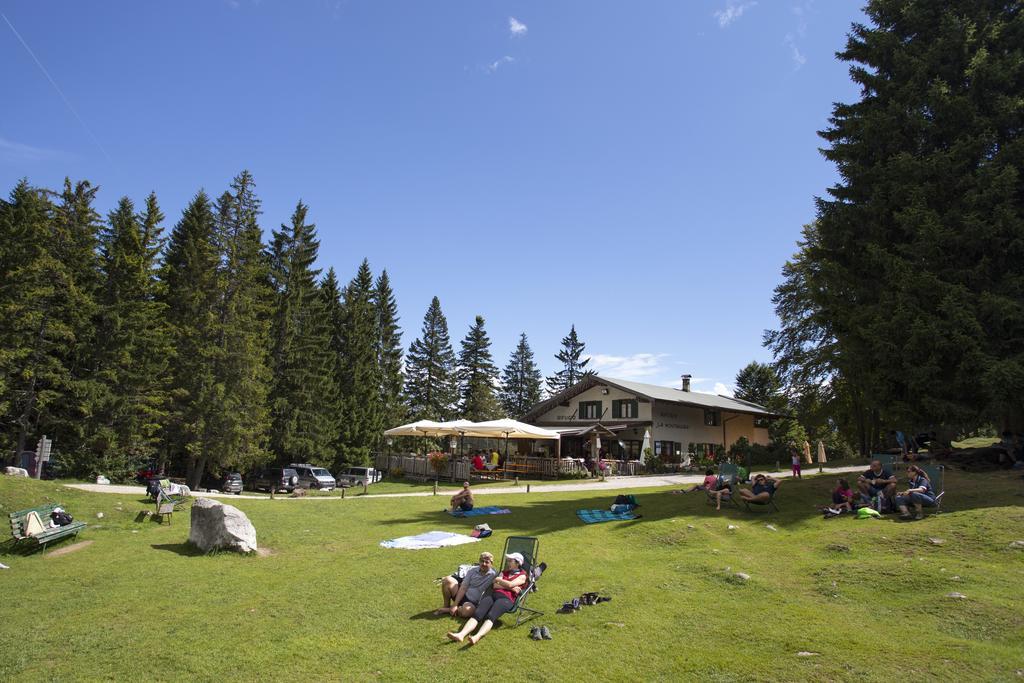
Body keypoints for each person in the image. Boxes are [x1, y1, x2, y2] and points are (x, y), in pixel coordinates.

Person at [447, 552, 528, 646]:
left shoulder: (522, 576)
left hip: (506, 599)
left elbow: (506, 583)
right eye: (508, 560)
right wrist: (511, 587)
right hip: (493, 595)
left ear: (518, 563)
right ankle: (461, 634)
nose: (508, 562)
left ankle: (476, 637)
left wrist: (500, 580)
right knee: (477, 614)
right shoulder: (503, 572)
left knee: (491, 616)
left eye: (510, 561)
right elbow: (495, 585)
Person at [436, 552, 496, 618]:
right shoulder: (472, 571)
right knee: (447, 580)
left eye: (487, 562)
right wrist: (455, 604)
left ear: (491, 564)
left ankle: (448, 610)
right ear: (479, 561)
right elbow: (463, 587)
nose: (483, 564)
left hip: (472, 603)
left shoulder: (494, 575)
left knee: (467, 612)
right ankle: (447, 606)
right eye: (482, 561)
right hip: (463, 595)